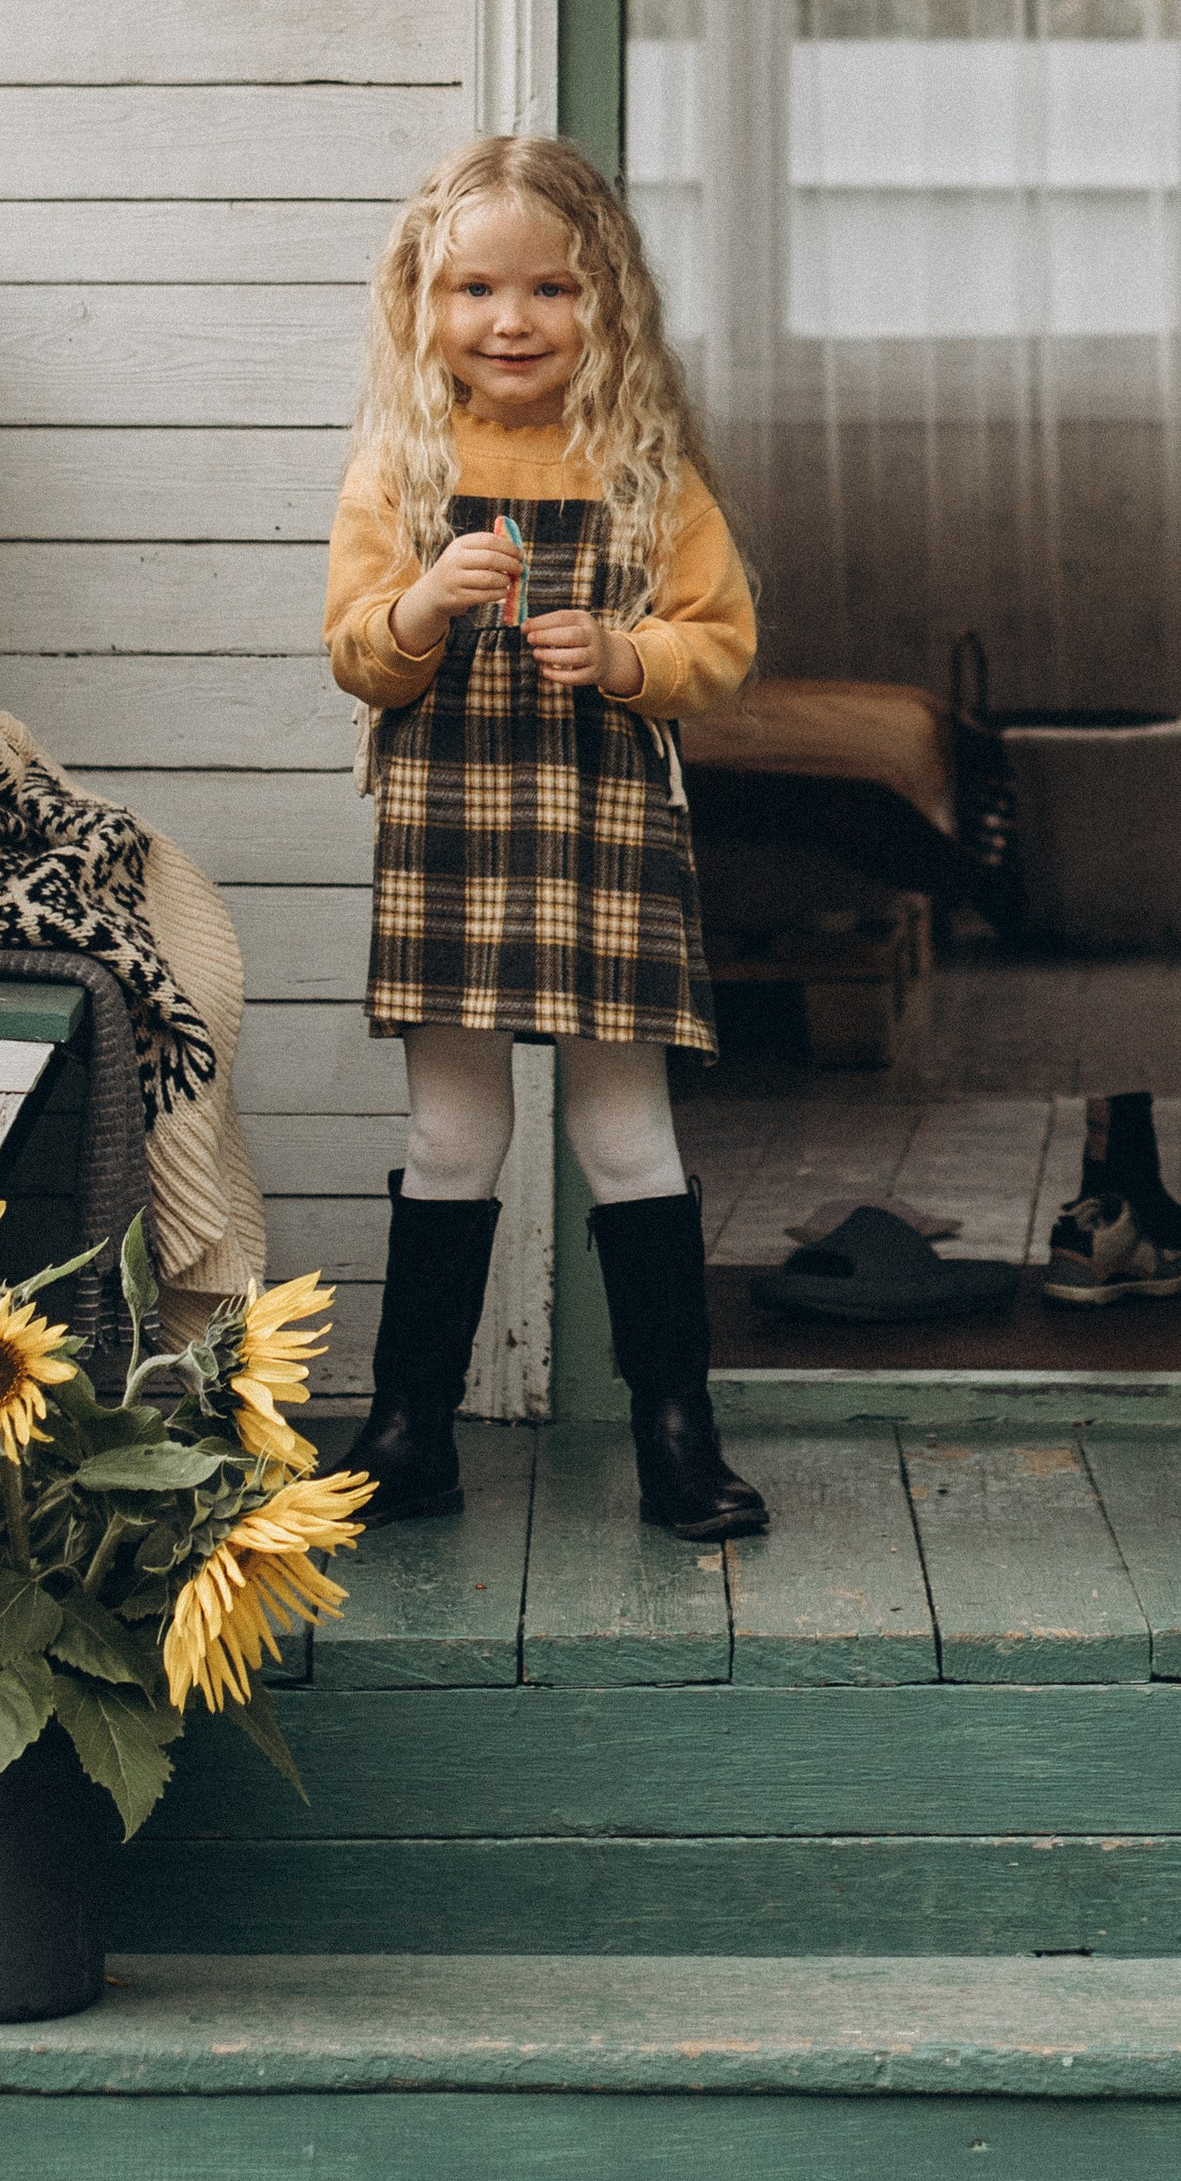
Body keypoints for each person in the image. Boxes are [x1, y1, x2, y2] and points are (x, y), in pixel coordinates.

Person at [320, 133, 767, 1543]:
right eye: (475, 290)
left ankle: (676, 1434)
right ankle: (410, 1424)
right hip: (453, 827)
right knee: (452, 1127)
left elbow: (722, 641)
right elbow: (354, 649)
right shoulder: (403, 464)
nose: (511, 321)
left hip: (605, 831)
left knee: (625, 1128)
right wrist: (427, 601)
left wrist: (630, 659)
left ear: (607, 303)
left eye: (551, 289)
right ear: (425, 304)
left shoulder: (648, 471)